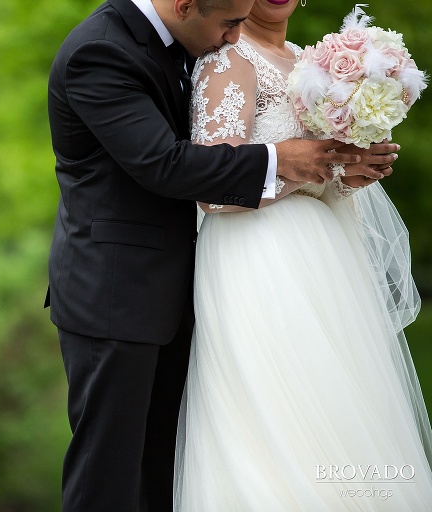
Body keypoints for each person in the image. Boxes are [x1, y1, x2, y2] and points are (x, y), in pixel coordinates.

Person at [45, 0, 397, 510]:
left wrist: (336, 168)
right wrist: (284, 160)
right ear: (185, 5)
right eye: (231, 22)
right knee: (109, 475)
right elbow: (163, 163)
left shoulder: (185, 39)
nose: (236, 37)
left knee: (167, 477)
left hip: (186, 286)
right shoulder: (100, 51)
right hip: (116, 293)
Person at [173, 0, 432, 509]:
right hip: (259, 257)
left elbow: (320, 172)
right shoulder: (227, 59)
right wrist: (309, 169)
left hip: (327, 259)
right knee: (280, 412)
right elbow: (212, 190)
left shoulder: (305, 61)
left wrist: (350, 171)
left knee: (340, 408)